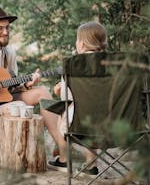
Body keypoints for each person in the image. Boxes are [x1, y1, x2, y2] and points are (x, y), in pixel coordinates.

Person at [43, 21, 108, 175]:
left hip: (80, 124)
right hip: (113, 121)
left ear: (83, 43)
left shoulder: (73, 64)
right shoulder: (114, 63)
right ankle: (91, 164)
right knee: (95, 112)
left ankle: (64, 160)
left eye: (78, 39)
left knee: (64, 111)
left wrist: (59, 90)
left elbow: (68, 97)